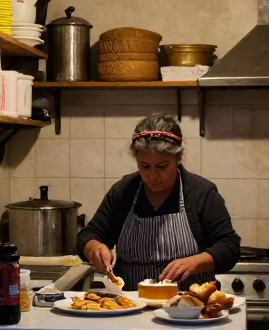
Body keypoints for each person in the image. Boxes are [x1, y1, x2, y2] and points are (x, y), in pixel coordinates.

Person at [77, 113, 240, 288]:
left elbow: (230, 247)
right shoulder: (124, 191)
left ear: (178, 159)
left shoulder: (200, 193)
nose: (153, 176)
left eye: (162, 166)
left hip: (188, 306)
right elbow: (87, 236)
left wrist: (195, 262)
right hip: (130, 305)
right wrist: (93, 248)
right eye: (144, 166)